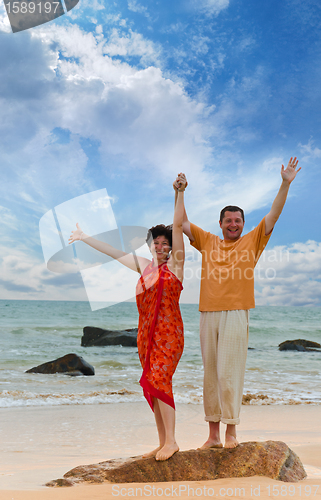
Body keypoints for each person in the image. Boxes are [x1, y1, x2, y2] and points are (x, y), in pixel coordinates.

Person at [174, 157, 301, 449]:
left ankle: (231, 433)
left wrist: (285, 183)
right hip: (208, 313)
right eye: (228, 220)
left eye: (238, 221)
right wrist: (180, 192)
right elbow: (179, 223)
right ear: (220, 224)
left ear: (243, 224)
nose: (233, 224)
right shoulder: (207, 241)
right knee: (211, 375)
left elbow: (274, 214)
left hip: (236, 313)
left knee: (230, 373)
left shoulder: (253, 241)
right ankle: (213, 435)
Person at [69, 174, 188, 461]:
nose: (160, 246)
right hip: (146, 336)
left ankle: (171, 441)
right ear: (149, 246)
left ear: (170, 247)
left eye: (165, 243)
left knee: (161, 380)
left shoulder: (177, 265)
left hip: (169, 334)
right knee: (152, 385)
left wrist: (179, 194)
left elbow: (179, 230)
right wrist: (85, 238)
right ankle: (163, 442)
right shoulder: (144, 267)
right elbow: (114, 252)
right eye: (155, 243)